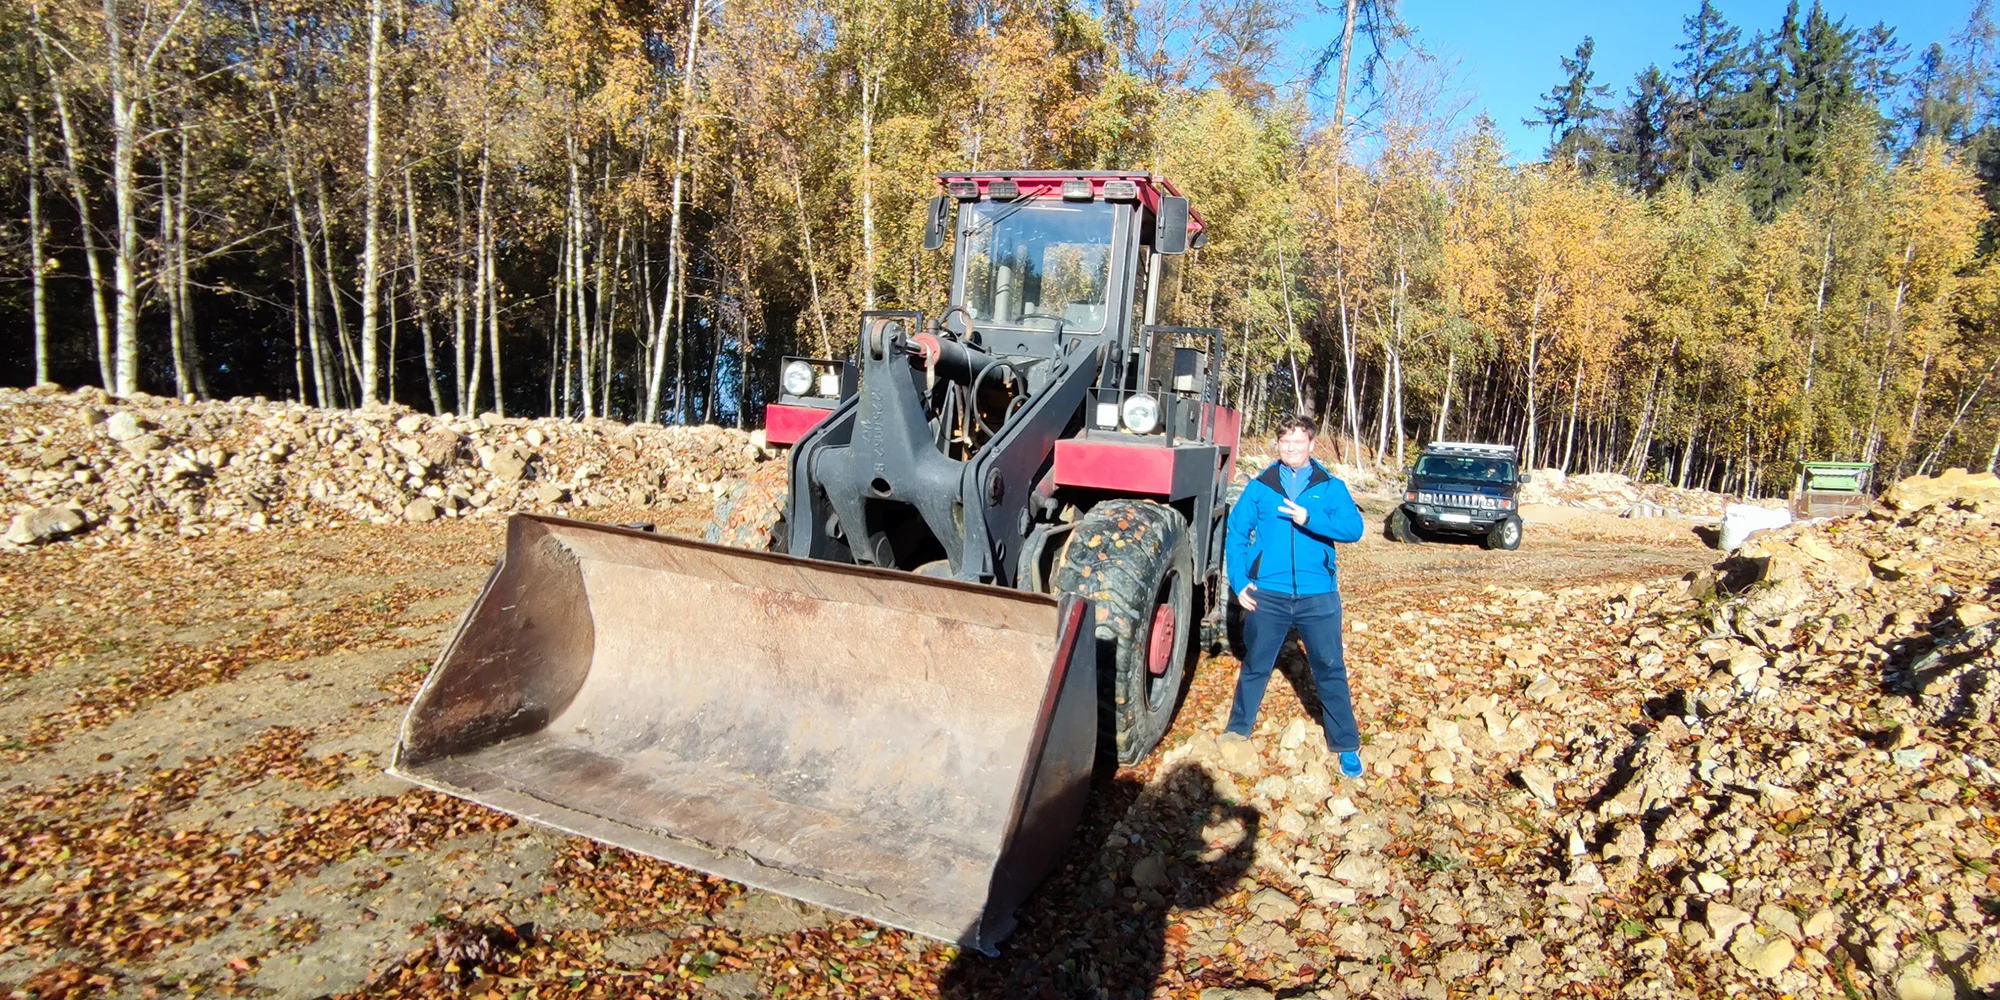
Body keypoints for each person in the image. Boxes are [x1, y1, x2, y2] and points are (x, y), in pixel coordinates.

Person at [1223, 415, 1368, 778]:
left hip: (1318, 596)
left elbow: (1354, 529)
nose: (1290, 449)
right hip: (1267, 594)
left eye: (1297, 442)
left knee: (1330, 668)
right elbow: (1237, 532)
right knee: (1256, 665)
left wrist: (1310, 517)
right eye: (1284, 442)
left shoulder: (1330, 487)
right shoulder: (1260, 486)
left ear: (1311, 445)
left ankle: (1346, 744)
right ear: (1278, 445)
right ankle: (1237, 730)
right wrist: (1239, 582)